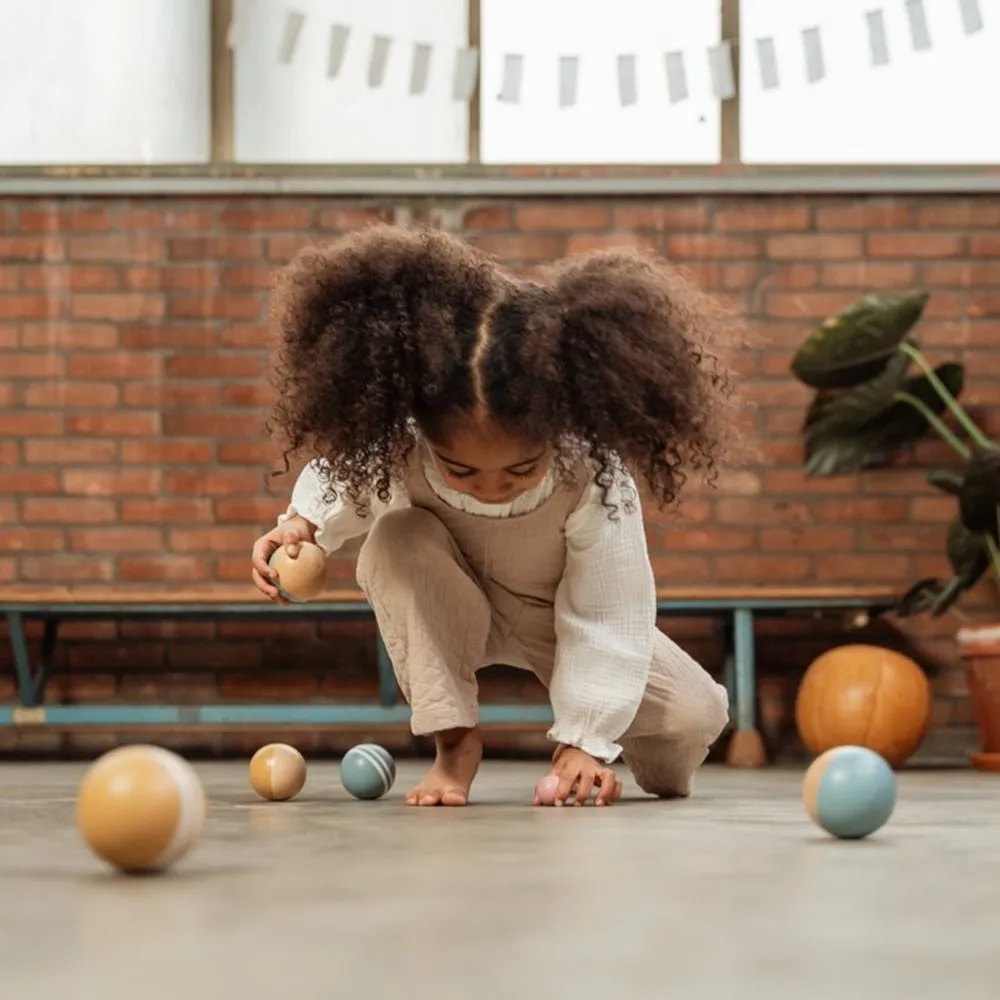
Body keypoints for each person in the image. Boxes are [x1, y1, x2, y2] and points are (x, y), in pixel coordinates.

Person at [251, 223, 743, 808]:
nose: (489, 489)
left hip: (554, 620)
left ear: (556, 434)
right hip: (450, 602)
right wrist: (300, 527)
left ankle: (612, 761)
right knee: (394, 537)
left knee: (697, 712)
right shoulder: (401, 445)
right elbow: (343, 480)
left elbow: (607, 614)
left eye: (517, 471)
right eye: (461, 471)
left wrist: (583, 741)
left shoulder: (592, 473)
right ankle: (454, 746)